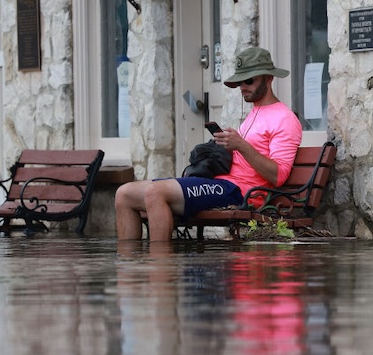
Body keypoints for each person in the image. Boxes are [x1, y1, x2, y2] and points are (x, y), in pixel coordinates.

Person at [114, 47, 303, 241]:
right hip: (219, 183)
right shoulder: (254, 113)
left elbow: (278, 175)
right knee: (124, 194)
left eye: (249, 80)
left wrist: (241, 145)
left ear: (268, 78)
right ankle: (131, 269)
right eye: (239, 82)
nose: (242, 87)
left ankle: (161, 268)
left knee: (155, 193)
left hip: (241, 193)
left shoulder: (284, 119)